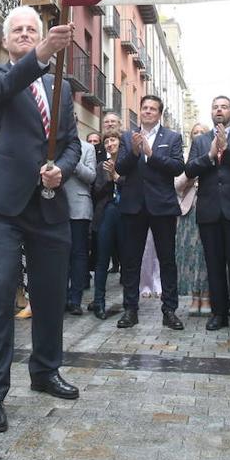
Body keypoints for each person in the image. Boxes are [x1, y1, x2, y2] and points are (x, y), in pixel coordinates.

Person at [0, 6, 82, 434]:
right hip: (5, 204)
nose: (23, 33)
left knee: (51, 293)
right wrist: (41, 53)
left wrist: (64, 169)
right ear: (6, 41)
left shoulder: (62, 89)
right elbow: (8, 88)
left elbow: (71, 143)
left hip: (50, 203)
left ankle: (46, 371)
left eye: (31, 29)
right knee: (0, 292)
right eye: (17, 30)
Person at [185, 97, 230, 333]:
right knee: (214, 265)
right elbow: (189, 170)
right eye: (215, 106)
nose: (219, 110)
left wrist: (227, 150)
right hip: (210, 212)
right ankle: (219, 313)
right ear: (211, 111)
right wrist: (209, 156)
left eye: (224, 106)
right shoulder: (200, 141)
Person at [115, 94, 185, 330]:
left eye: (152, 109)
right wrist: (135, 152)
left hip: (162, 205)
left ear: (159, 113)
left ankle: (170, 311)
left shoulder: (172, 137)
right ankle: (130, 309)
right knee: (131, 260)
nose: (147, 112)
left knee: (167, 260)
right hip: (133, 205)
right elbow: (119, 168)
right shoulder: (127, 137)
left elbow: (177, 168)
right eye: (144, 108)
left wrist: (152, 155)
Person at [174, 123, 208, 316]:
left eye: (202, 133)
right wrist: (192, 174)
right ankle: (195, 296)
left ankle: (208, 296)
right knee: (191, 257)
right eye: (195, 132)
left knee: (206, 256)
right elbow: (177, 186)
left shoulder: (214, 158)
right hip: (189, 213)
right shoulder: (186, 160)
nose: (198, 136)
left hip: (210, 211)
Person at [91, 131, 124, 320]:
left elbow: (131, 185)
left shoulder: (128, 163)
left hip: (125, 213)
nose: (110, 143)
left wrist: (116, 176)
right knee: (102, 259)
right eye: (107, 141)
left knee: (128, 260)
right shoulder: (100, 166)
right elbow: (96, 191)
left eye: (113, 140)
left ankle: (130, 304)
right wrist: (109, 178)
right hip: (105, 213)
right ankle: (99, 302)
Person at [63, 134, 97, 315]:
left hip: (79, 208)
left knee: (78, 255)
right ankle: (60, 299)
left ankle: (75, 299)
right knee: (59, 255)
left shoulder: (87, 148)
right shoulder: (52, 145)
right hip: (55, 207)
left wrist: (74, 162)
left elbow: (91, 176)